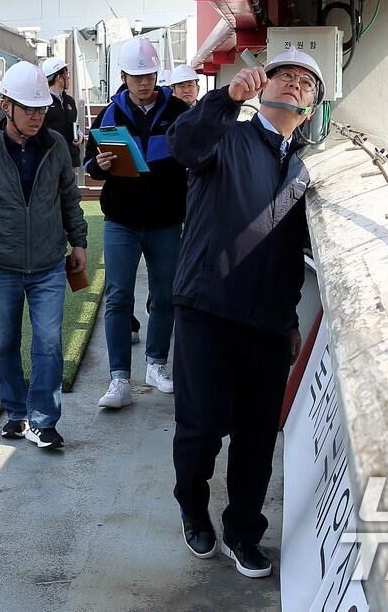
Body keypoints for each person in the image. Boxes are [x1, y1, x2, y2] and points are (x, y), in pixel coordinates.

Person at [165, 49, 321, 579]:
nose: (297, 85)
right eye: (287, 75)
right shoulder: (227, 134)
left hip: (269, 323)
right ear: (264, 85)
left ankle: (243, 531)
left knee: (257, 436)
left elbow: (291, 248)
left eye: (308, 83)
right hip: (207, 309)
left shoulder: (303, 169)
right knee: (201, 428)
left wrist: (292, 318)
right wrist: (225, 98)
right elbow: (182, 144)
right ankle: (192, 506)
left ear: (313, 106)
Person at [0, 61, 88, 450]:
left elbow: (69, 198)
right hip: (1, 266)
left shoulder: (57, 146)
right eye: (28, 108)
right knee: (5, 344)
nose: (36, 116)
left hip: (48, 264)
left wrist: (78, 242)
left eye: (42, 109)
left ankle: (44, 420)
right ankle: (16, 412)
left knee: (48, 343)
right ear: (6, 106)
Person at [84, 37, 189, 407]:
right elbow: (89, 164)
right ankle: (118, 379)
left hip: (166, 222)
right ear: (124, 77)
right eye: (137, 76)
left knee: (164, 295)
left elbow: (197, 155)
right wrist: (99, 166)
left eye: (150, 75)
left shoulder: (178, 111)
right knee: (118, 297)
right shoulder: (109, 115)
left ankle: (156, 364)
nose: (145, 83)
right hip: (121, 222)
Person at [41, 55, 82, 169]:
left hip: (70, 160)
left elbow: (74, 124)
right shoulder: (43, 102)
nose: (69, 78)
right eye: (67, 74)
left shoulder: (69, 101)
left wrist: (79, 135)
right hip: (50, 160)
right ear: (59, 77)